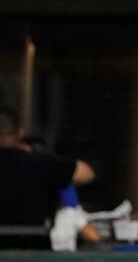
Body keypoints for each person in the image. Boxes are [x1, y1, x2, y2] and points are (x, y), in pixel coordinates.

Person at [0, 105, 97, 246]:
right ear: (20, 133)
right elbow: (86, 174)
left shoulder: (38, 161)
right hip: (32, 249)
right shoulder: (39, 161)